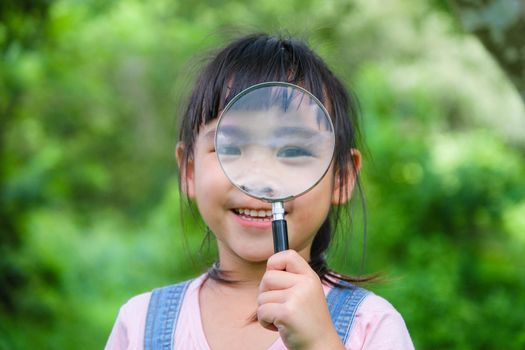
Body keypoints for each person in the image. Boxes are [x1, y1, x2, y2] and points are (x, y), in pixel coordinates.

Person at [105, 33, 414, 350]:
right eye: (231, 146)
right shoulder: (140, 325)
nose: (260, 175)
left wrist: (321, 343)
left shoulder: (371, 325)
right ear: (189, 170)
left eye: (293, 151)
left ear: (341, 178)